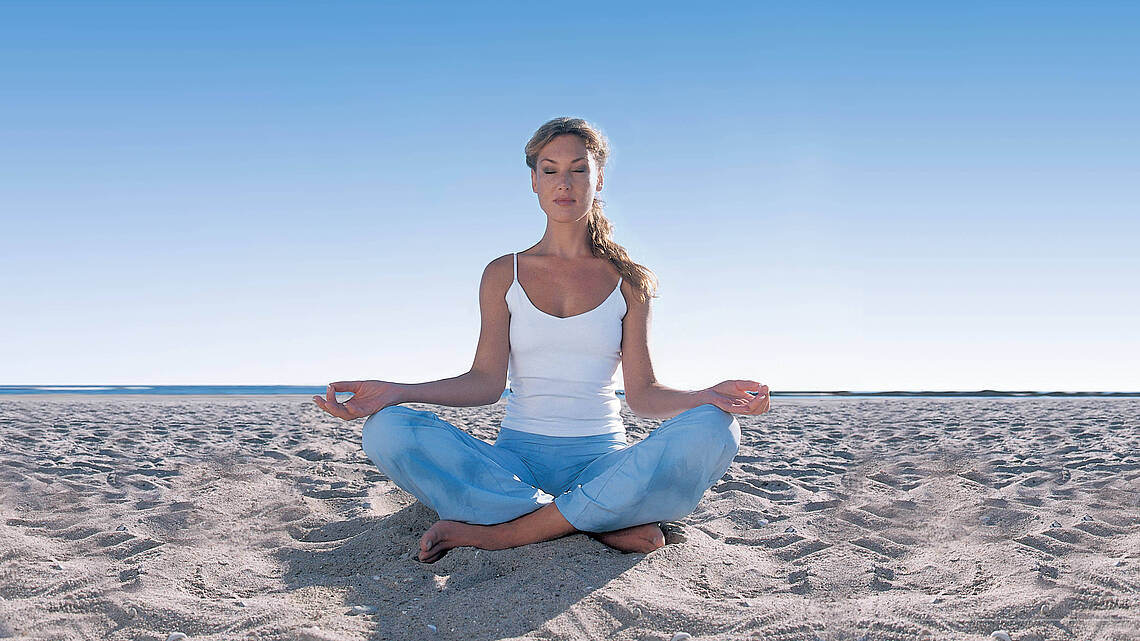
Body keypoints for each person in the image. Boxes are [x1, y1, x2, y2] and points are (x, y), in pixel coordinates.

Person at [314, 117, 770, 563]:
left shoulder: (629, 281)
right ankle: (598, 520)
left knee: (715, 427)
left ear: (599, 178)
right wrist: (397, 391)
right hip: (514, 466)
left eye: (578, 169)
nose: (564, 183)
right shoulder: (502, 273)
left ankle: (511, 531)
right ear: (534, 181)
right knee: (387, 429)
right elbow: (485, 382)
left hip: (602, 465)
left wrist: (707, 396)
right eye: (550, 170)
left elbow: (644, 396)